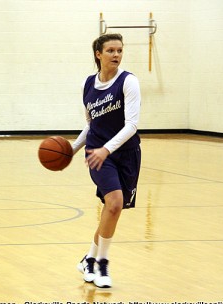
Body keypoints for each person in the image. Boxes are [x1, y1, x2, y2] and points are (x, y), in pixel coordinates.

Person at [72, 33, 141, 288]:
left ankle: (89, 258)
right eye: (111, 50)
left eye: (120, 50)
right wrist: (74, 149)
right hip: (98, 154)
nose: (116, 55)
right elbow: (91, 125)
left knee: (113, 210)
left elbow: (132, 125)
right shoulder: (87, 85)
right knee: (113, 204)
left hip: (126, 153)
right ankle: (102, 264)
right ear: (98, 54)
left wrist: (107, 149)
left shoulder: (129, 82)